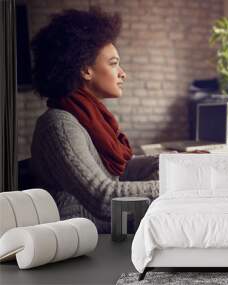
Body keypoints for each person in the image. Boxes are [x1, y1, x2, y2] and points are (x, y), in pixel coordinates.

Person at [30, 8, 159, 233]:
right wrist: (176, 186)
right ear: (85, 70)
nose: (122, 73)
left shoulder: (91, 119)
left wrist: (178, 165)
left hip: (106, 235)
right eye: (113, 63)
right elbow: (104, 197)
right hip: (83, 246)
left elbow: (125, 170)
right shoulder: (59, 125)